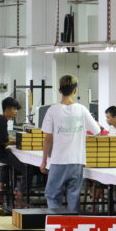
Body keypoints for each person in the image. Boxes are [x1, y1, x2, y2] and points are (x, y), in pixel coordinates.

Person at [40, 75, 101, 212]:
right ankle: (73, 223)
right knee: (74, 197)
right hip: (77, 161)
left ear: (59, 90)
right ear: (75, 90)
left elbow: (47, 138)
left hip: (58, 161)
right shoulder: (82, 109)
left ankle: (55, 223)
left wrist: (44, 161)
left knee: (53, 196)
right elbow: (97, 131)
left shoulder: (52, 110)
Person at [0, 97, 25, 205]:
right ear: (7, 109)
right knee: (26, 170)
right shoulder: (2, 121)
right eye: (14, 109)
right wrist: (19, 142)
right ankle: (19, 194)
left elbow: (6, 136)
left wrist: (17, 138)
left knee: (6, 166)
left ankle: (1, 193)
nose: (16, 111)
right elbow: (4, 142)